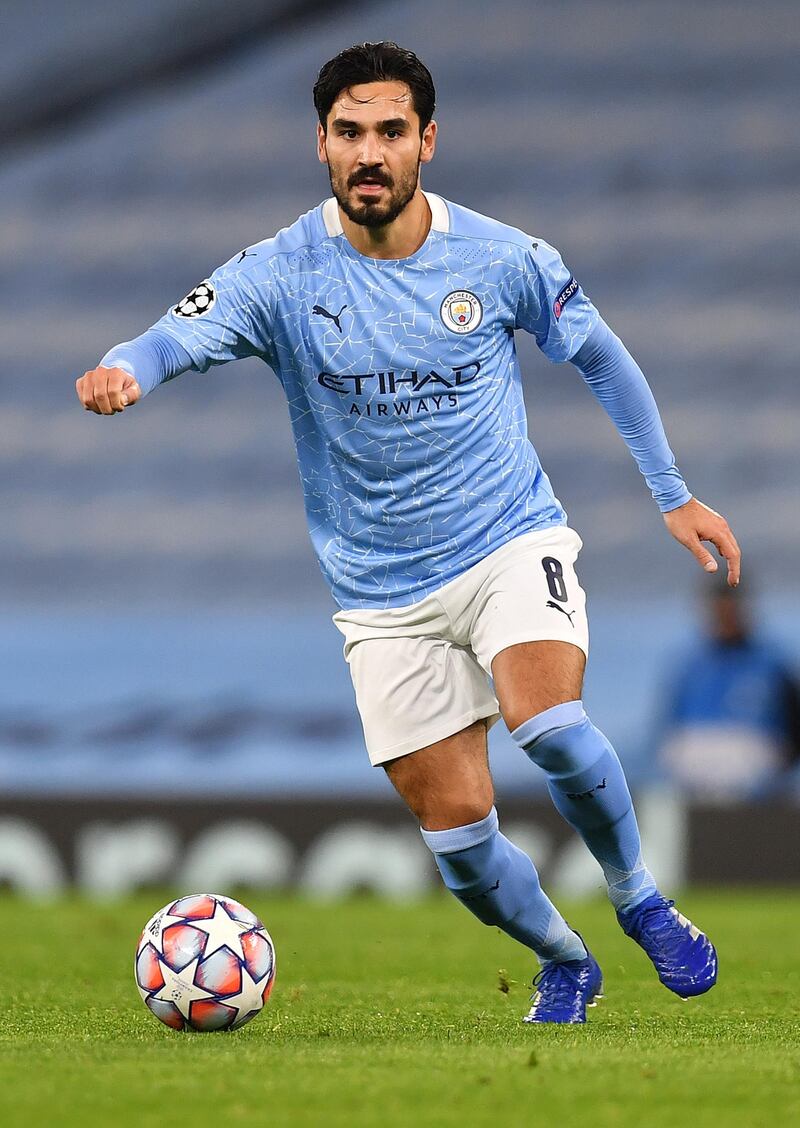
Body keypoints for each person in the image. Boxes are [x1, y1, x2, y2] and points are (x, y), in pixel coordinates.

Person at [75, 41, 741, 1024]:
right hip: (381, 596)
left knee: (548, 725)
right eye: (349, 132)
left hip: (506, 543)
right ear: (321, 145)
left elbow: (600, 356)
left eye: (389, 130)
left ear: (426, 139)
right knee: (462, 853)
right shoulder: (277, 273)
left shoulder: (502, 258)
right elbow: (176, 330)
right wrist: (127, 367)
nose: (369, 151)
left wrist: (672, 492)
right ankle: (565, 960)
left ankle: (638, 896)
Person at [661, 577, 800, 800]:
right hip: (697, 759)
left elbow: (792, 730)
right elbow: (671, 730)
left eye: (731, 612)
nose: (725, 620)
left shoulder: (773, 663)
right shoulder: (689, 666)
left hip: (754, 760)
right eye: (719, 612)